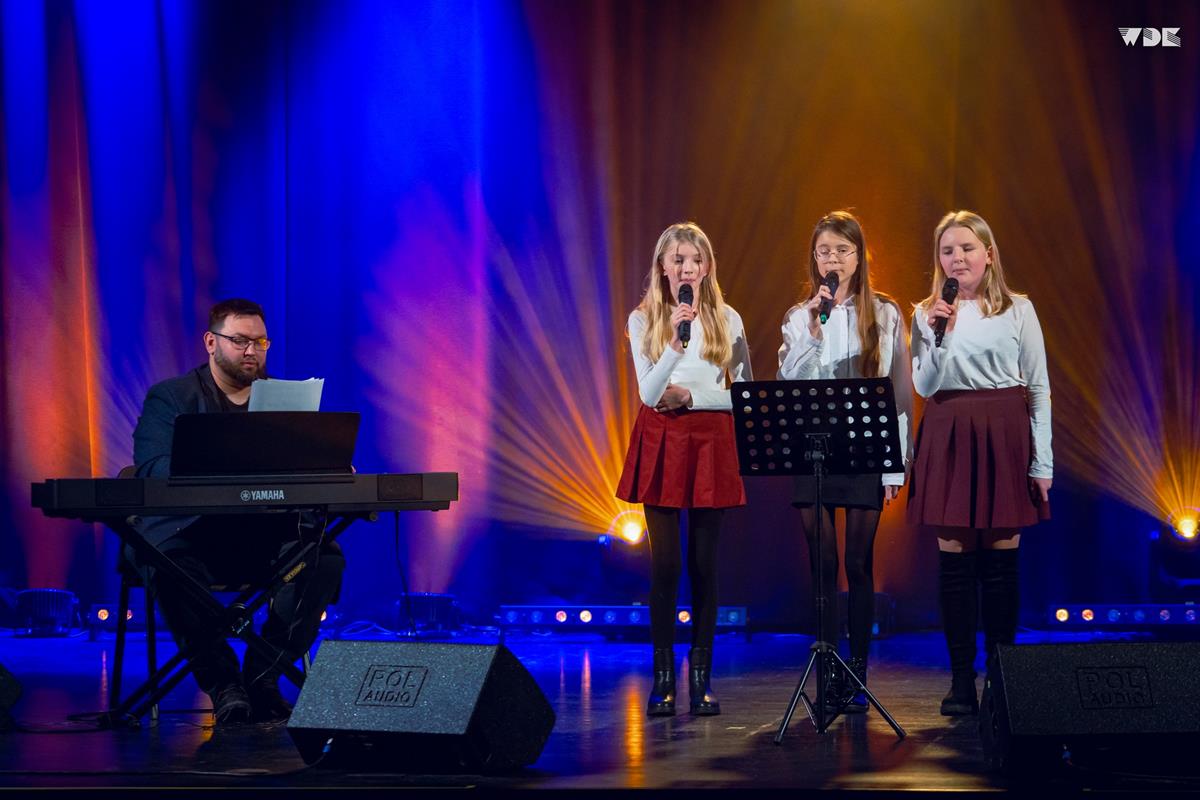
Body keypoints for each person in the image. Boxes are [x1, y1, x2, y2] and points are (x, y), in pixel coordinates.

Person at [132, 298, 345, 725]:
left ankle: (263, 677)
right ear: (211, 342)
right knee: (168, 566)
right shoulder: (171, 397)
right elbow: (151, 468)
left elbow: (307, 472)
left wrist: (329, 465)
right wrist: (222, 461)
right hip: (190, 535)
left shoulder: (287, 401)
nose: (252, 351)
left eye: (260, 342)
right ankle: (224, 684)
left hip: (263, 535)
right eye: (240, 341)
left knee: (323, 559)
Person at [907, 211, 1052, 716]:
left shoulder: (1018, 309)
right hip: (948, 427)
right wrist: (937, 334)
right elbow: (924, 386)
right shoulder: (926, 314)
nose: (957, 258)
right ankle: (960, 679)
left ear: (988, 254)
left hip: (1004, 431)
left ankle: (1002, 676)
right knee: (955, 564)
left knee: (1000, 565)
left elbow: (1038, 388)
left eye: (967, 248)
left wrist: (1042, 462)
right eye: (947, 250)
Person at [777, 210, 913, 712]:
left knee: (857, 561)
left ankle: (856, 672)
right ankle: (827, 670)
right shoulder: (800, 316)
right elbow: (789, 383)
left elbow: (900, 394)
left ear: (859, 257)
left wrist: (895, 464)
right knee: (822, 563)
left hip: (863, 446)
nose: (832, 260)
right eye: (824, 251)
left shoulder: (885, 313)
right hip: (813, 447)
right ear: (814, 259)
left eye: (841, 250)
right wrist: (814, 332)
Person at [616, 222, 752, 717]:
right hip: (663, 441)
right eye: (678, 260)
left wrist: (695, 397)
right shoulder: (643, 320)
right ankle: (663, 677)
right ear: (663, 267)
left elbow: (745, 396)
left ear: (707, 267)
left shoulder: (728, 319)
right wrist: (674, 342)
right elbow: (649, 394)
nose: (687, 268)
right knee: (666, 565)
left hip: (711, 441)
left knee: (704, 565)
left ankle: (701, 676)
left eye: (695, 260)